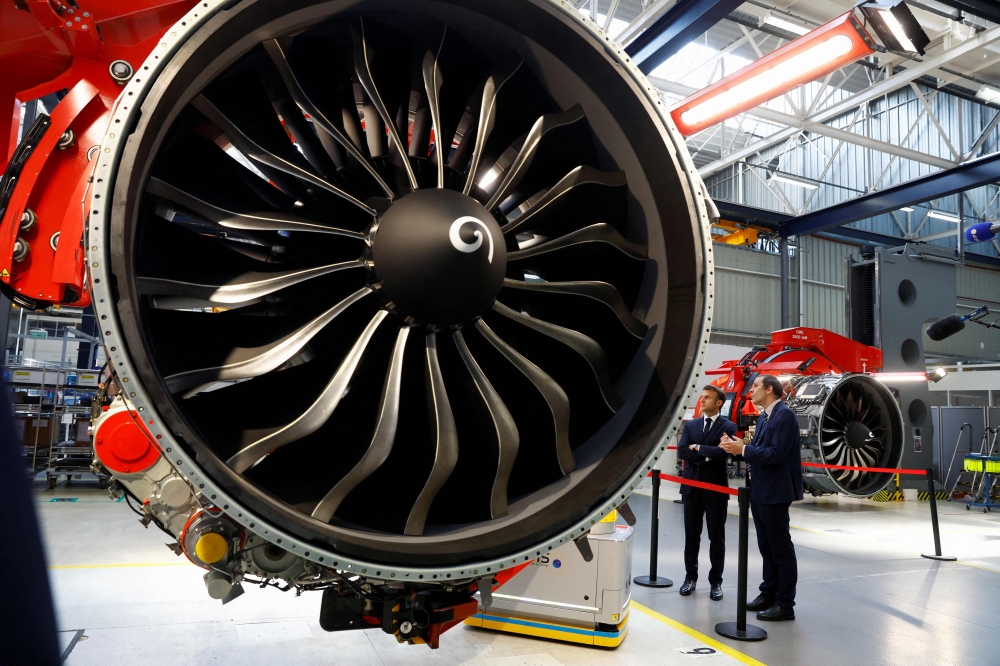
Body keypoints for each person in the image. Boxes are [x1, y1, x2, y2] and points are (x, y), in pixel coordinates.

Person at [720, 374, 802, 621]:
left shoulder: (784, 415)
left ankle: (785, 604)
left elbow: (776, 454)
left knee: (780, 548)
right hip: (761, 490)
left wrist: (744, 449)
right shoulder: (766, 416)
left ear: (769, 389)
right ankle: (768, 593)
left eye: (755, 386)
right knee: (767, 547)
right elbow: (760, 451)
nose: (751, 390)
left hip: (775, 491)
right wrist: (738, 446)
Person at [677, 385, 737, 601]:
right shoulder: (691, 425)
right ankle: (690, 578)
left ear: (719, 403)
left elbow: (723, 453)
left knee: (716, 537)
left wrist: (697, 448)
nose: (702, 400)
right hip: (691, 488)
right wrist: (707, 455)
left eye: (707, 398)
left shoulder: (728, 426)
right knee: (691, 536)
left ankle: (716, 582)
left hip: (715, 489)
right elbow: (682, 450)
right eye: (702, 397)